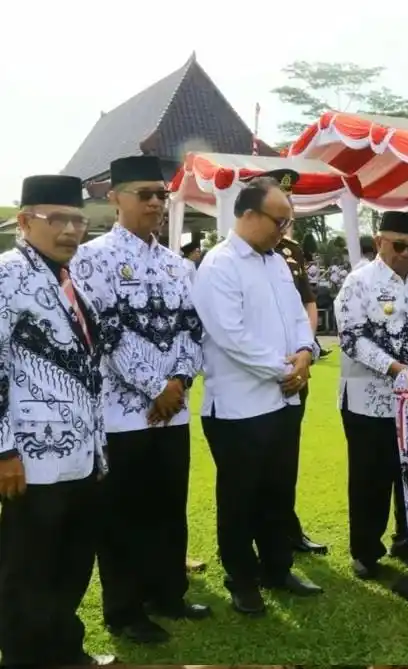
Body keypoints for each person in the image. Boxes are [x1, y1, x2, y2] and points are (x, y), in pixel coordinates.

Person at [71, 156, 209, 644]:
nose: (154, 202)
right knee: (123, 514)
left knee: (169, 508)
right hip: (121, 414)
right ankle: (125, 610)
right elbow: (105, 332)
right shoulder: (92, 258)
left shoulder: (177, 265)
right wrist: (157, 387)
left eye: (160, 194)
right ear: (115, 198)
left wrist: (179, 381)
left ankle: (168, 592)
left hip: (171, 414)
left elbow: (194, 330)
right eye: (143, 193)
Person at [192, 174, 324, 616]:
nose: (282, 231)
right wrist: (286, 369)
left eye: (287, 223)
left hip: (283, 399)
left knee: (276, 493)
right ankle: (242, 579)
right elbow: (231, 335)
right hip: (239, 408)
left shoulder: (275, 263)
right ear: (248, 215)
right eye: (278, 221)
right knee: (240, 499)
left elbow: (298, 317)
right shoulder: (219, 264)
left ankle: (277, 567)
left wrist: (305, 353)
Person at [0, 175, 114, 666]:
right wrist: (3, 451)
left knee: (70, 561)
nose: (70, 231)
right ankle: (25, 657)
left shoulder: (73, 277)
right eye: (57, 220)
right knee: (29, 568)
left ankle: (64, 650)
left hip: (84, 453)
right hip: (31, 457)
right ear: (25, 222)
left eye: (78, 221)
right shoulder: (6, 276)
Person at [335, 211, 408, 579]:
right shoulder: (358, 283)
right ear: (379, 241)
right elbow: (352, 339)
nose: (405, 254)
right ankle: (366, 552)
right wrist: (395, 369)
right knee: (371, 479)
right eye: (398, 245)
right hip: (369, 401)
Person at [272, 199, 329, 556]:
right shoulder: (230, 257)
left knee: (287, 453)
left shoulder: (291, 251)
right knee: (257, 457)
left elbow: (308, 302)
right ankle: (255, 532)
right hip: (260, 370)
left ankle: (287, 527)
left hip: (298, 366)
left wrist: (305, 347)